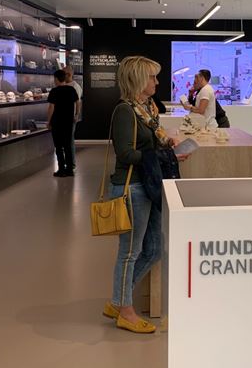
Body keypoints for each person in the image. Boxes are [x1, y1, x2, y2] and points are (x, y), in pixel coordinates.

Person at [104, 56, 183, 334]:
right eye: (152, 77)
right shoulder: (125, 111)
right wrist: (163, 156)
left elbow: (152, 142)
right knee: (130, 252)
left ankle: (118, 300)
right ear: (138, 79)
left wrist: (167, 145)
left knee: (153, 249)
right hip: (132, 187)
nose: (157, 82)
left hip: (149, 185)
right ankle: (125, 311)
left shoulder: (147, 109)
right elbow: (126, 154)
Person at [46, 69, 80, 177]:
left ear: (56, 79)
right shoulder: (71, 89)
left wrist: (48, 121)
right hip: (68, 122)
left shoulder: (54, 91)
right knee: (67, 146)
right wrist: (76, 114)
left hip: (57, 122)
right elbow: (78, 102)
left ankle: (61, 169)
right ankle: (69, 169)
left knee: (59, 147)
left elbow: (51, 107)